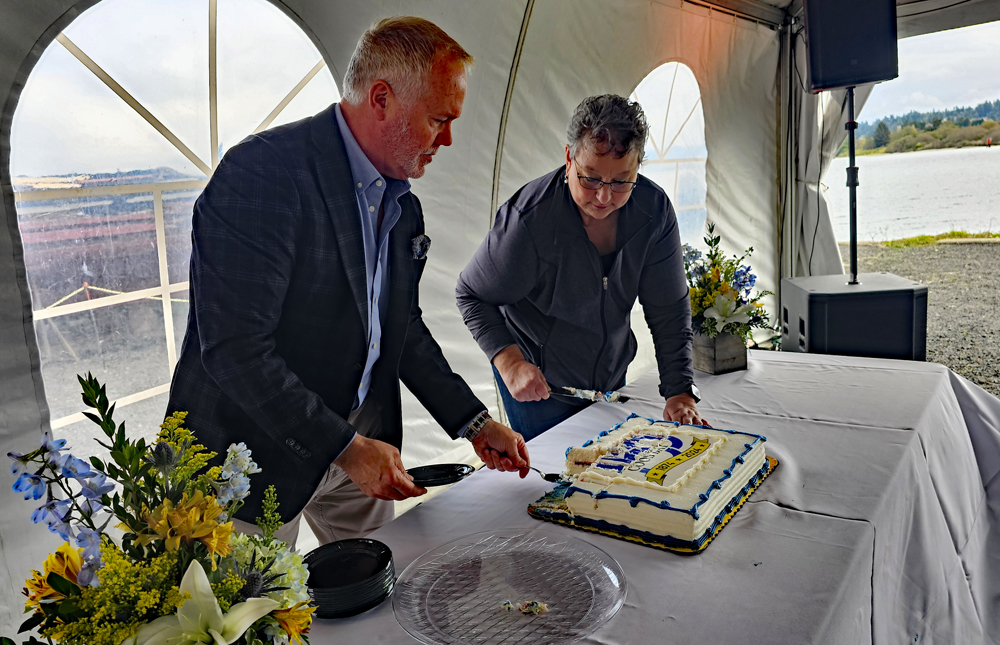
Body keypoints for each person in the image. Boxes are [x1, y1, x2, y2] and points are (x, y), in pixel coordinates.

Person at [166, 16, 528, 547]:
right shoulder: (264, 175)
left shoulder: (403, 207)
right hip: (247, 458)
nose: (448, 139)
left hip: (355, 439)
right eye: (437, 119)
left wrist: (475, 423)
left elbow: (401, 330)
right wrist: (346, 447)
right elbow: (236, 351)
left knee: (379, 594)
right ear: (381, 98)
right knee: (250, 623)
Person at [456, 94, 705, 442]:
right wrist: (510, 363)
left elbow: (669, 308)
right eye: (590, 179)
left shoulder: (654, 212)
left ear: (638, 168)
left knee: (606, 468)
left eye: (621, 182)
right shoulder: (528, 220)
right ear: (569, 157)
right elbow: (471, 295)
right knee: (557, 480)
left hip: (610, 373)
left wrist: (679, 391)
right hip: (538, 384)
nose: (604, 198)